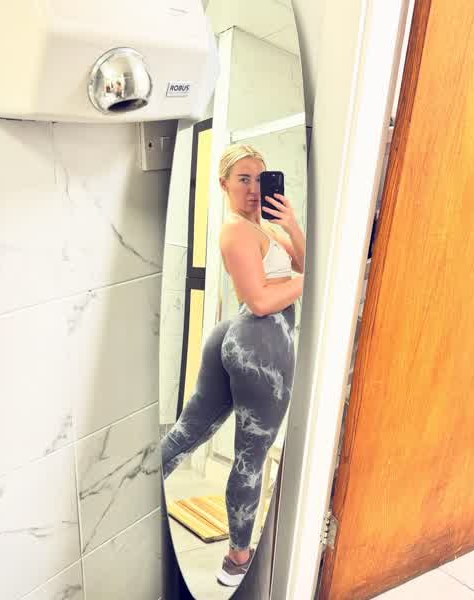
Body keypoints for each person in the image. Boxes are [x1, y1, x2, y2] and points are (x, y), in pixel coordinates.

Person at [160, 144, 305, 587]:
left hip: (237, 336)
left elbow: (306, 261)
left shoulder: (267, 230)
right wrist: (306, 282)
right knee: (250, 456)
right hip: (259, 343)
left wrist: (292, 225)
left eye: (260, 179)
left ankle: (132, 501)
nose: (254, 188)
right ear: (224, 183)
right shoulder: (236, 231)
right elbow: (259, 301)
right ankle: (237, 560)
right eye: (244, 179)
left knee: (188, 432)